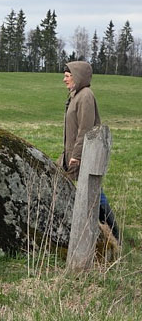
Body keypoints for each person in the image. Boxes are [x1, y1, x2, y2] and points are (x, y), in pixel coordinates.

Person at [60, 61, 119, 241]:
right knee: (89, 191)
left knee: (94, 192)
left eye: (67, 76)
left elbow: (85, 129)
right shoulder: (76, 95)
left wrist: (76, 156)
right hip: (73, 154)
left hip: (84, 155)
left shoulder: (85, 96)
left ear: (77, 77)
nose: (64, 80)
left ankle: (113, 234)